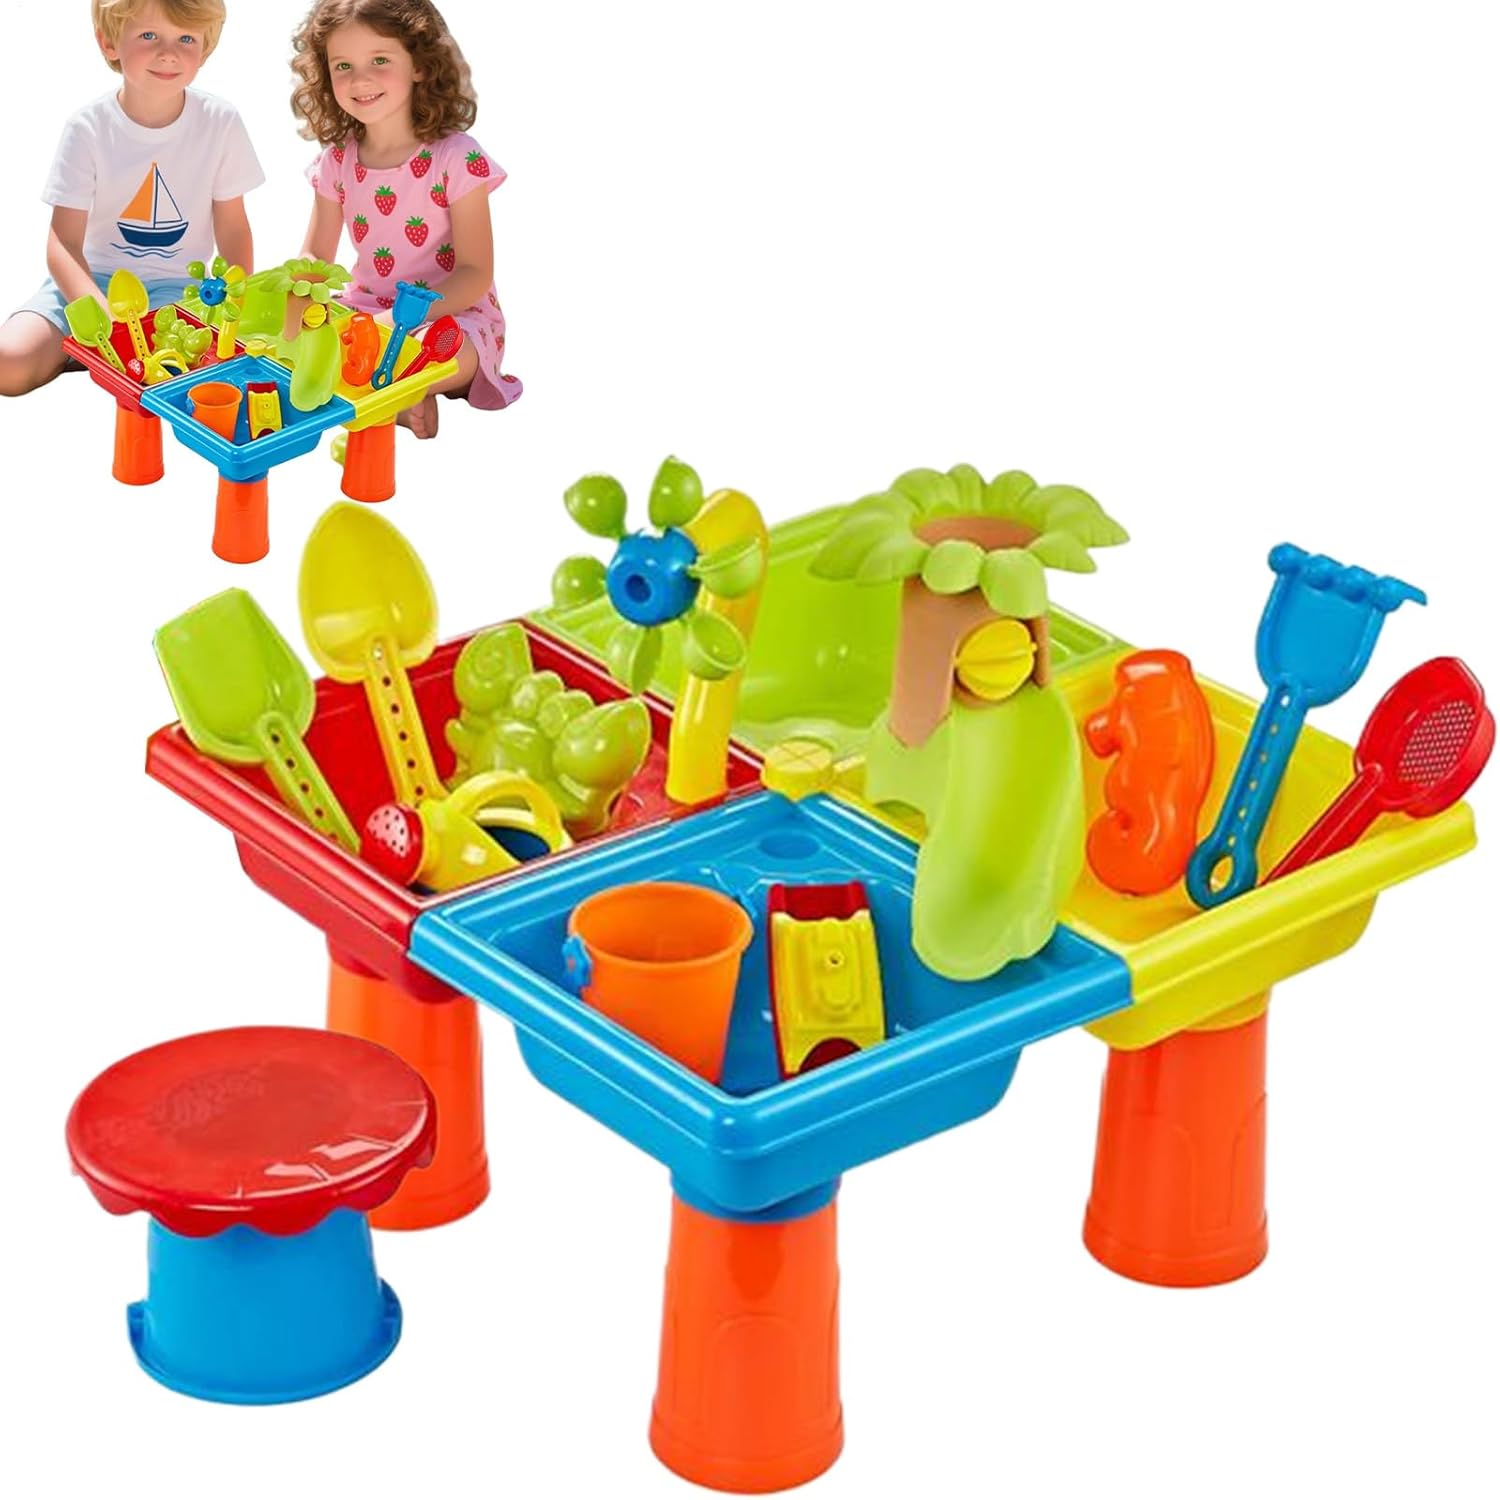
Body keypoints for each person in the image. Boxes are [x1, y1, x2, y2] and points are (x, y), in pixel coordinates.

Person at [0, 0, 262, 397]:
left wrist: (232, 309)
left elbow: (234, 229)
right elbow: (63, 244)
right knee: (8, 364)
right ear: (109, 43)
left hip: (176, 291)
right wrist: (101, 316)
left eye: (186, 39)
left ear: (205, 49)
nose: (169, 53)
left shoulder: (220, 122)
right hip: (88, 286)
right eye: (148, 35)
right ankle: (81, 352)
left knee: (172, 378)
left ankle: (98, 358)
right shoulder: (87, 128)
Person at [293, 0, 522, 438]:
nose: (359, 79)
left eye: (379, 60)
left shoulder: (456, 157)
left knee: (445, 351)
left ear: (419, 64)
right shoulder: (336, 160)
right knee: (313, 344)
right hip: (366, 309)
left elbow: (475, 272)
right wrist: (297, 294)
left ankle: (402, 391)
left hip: (449, 313)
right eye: (343, 66)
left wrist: (398, 320)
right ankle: (398, 396)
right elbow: (316, 255)